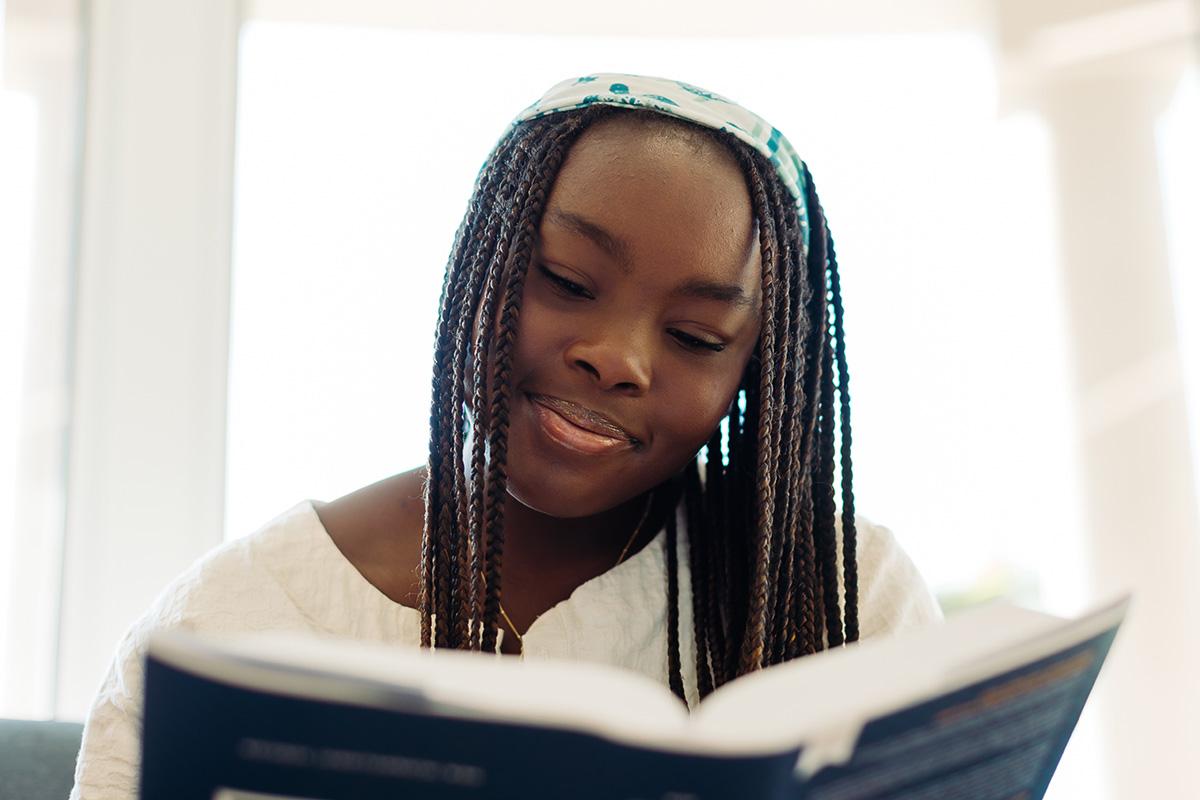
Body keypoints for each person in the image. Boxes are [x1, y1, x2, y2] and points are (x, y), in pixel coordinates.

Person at [69, 73, 942, 798]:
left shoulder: (848, 601)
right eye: (565, 280)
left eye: (696, 338)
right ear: (476, 268)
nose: (616, 358)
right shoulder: (225, 626)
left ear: (753, 376)